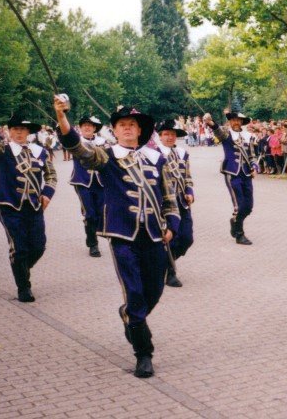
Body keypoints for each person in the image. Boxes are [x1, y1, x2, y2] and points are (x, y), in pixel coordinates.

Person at [55, 98, 179, 378]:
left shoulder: (157, 159)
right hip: (123, 235)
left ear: (140, 130)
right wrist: (62, 117)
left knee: (154, 291)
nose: (127, 128)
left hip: (154, 235)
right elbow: (77, 148)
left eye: (132, 124)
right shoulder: (106, 156)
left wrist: (172, 223)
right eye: (122, 125)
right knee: (134, 293)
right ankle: (143, 353)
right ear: (114, 130)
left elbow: (169, 197)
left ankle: (129, 316)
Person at [0, 112, 57, 303]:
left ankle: (21, 269)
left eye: (23, 129)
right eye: (16, 129)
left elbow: (51, 175)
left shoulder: (40, 151)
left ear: (28, 132)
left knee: (39, 246)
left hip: (34, 206)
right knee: (19, 248)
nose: (19, 132)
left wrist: (47, 193)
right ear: (10, 131)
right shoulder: (3, 150)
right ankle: (24, 287)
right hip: (10, 206)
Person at [204, 111, 258, 245]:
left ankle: (235, 220)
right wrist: (211, 122)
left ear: (242, 122)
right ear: (230, 122)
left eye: (238, 120)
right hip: (232, 172)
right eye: (233, 120)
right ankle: (239, 234)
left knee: (249, 206)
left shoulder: (248, 136)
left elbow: (252, 155)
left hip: (246, 174)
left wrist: (254, 166)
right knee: (239, 205)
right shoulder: (226, 133)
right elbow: (218, 131)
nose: (236, 122)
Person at [155, 120, 195, 288]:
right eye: (166, 134)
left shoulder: (182, 153)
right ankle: (169, 272)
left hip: (182, 202)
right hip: (165, 204)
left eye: (172, 134)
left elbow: (187, 177)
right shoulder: (154, 154)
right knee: (170, 238)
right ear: (160, 136)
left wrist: (190, 191)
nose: (170, 137)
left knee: (187, 238)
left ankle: (161, 265)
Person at [69, 115, 108, 258]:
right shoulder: (76, 142)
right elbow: (66, 138)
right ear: (80, 128)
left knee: (101, 213)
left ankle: (100, 235)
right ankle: (93, 244)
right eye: (84, 125)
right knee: (90, 214)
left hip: (101, 182)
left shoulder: (103, 142)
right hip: (82, 181)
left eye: (90, 125)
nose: (87, 127)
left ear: (94, 128)